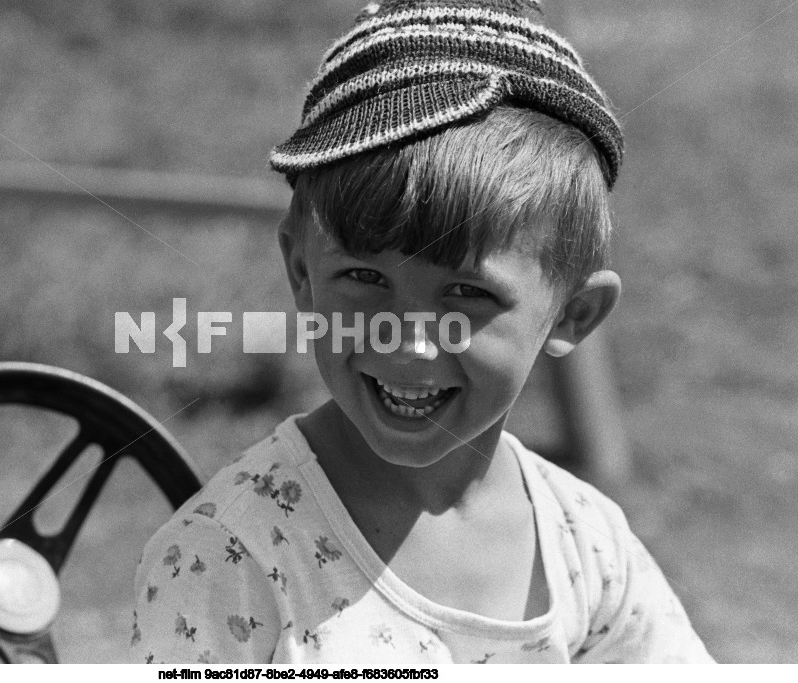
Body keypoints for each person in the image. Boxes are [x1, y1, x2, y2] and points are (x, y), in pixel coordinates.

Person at [129, 0, 713, 664]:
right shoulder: (231, 556)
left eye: (466, 293)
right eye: (364, 278)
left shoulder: (588, 546)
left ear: (572, 315)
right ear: (301, 272)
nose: (404, 343)